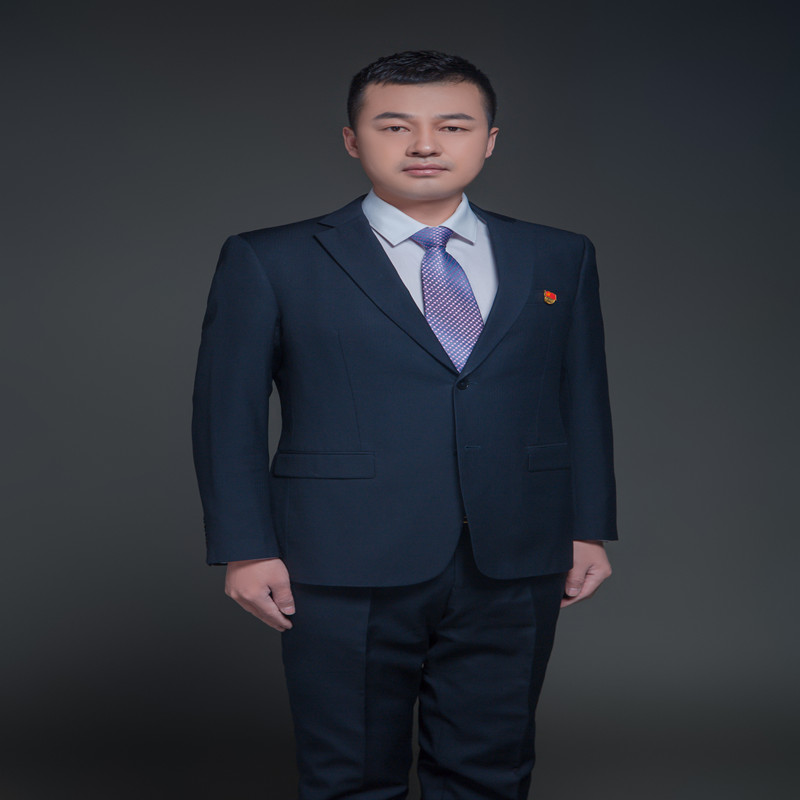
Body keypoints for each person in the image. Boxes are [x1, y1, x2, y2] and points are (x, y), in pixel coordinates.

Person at [192, 50, 617, 800]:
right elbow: (226, 413)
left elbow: (581, 396)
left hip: (515, 552)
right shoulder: (271, 258)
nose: (425, 145)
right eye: (395, 126)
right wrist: (245, 548)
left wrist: (587, 526)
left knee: (491, 770)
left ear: (489, 140)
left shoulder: (558, 255)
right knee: (351, 775)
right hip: (340, 555)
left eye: (453, 125)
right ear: (352, 139)